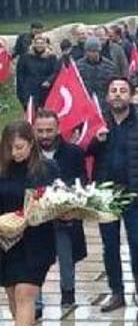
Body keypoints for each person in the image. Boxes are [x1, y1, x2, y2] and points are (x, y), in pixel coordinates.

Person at [88, 77, 138, 312]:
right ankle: (116, 291)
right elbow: (83, 150)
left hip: (136, 194)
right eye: (113, 90)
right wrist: (95, 140)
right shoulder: (98, 123)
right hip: (106, 195)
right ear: (107, 96)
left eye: (123, 90)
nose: (118, 94)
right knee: (109, 246)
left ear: (132, 95)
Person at [0, 121, 59, 326]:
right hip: (6, 242)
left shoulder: (46, 169)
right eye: (11, 148)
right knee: (14, 298)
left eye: (20, 147)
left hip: (37, 242)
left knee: (26, 293)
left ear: (31, 143)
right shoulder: (2, 170)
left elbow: (58, 202)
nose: (16, 153)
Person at [33, 110, 87, 309]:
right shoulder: (27, 153)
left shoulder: (74, 152)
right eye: (41, 131)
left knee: (67, 256)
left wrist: (64, 194)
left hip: (65, 215)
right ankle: (36, 301)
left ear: (58, 129)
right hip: (37, 217)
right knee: (36, 259)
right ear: (34, 130)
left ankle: (68, 293)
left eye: (49, 130)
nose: (45, 135)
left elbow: (82, 180)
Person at [15, 35, 58, 108]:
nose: (39, 45)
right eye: (37, 43)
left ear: (46, 44)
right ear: (33, 44)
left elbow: (56, 71)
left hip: (45, 90)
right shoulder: (25, 58)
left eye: (42, 43)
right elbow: (20, 75)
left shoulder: (52, 57)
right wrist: (22, 92)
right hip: (30, 90)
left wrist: (49, 81)